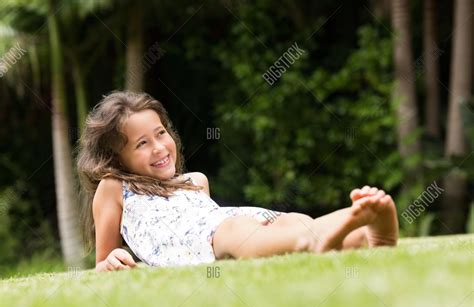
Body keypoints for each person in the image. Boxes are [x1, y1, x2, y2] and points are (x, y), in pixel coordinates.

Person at [77, 91, 399, 272]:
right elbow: (103, 262)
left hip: (235, 221)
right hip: (213, 239)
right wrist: (111, 263)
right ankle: (325, 237)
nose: (159, 147)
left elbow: (214, 214)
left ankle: (368, 238)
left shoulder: (194, 180)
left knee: (289, 221)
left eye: (160, 133)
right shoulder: (114, 187)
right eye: (141, 143)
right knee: (237, 232)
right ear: (117, 159)